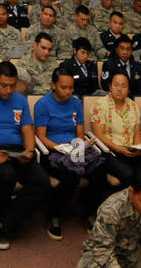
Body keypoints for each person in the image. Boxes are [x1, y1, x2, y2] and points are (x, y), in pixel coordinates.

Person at [0, 60, 50, 251]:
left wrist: (29, 151)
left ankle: (3, 224)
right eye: (4, 85)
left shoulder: (20, 100)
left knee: (41, 181)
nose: (8, 90)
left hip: (15, 150)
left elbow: (28, 129)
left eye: (12, 86)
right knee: (7, 175)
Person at [35, 68, 107, 236]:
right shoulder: (43, 104)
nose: (68, 92)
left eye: (71, 87)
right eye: (63, 87)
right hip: (53, 150)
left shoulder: (75, 103)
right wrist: (60, 148)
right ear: (53, 85)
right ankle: (54, 215)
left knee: (100, 170)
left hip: (74, 148)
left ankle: (88, 212)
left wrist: (83, 144)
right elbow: (41, 137)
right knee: (71, 174)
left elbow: (79, 134)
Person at [89, 72, 141, 188]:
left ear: (129, 89)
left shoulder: (133, 105)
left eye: (124, 86)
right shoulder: (100, 105)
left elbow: (136, 132)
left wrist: (138, 148)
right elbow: (99, 135)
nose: (119, 89)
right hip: (110, 152)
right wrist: (119, 149)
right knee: (128, 174)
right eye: (116, 85)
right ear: (110, 87)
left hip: (130, 151)